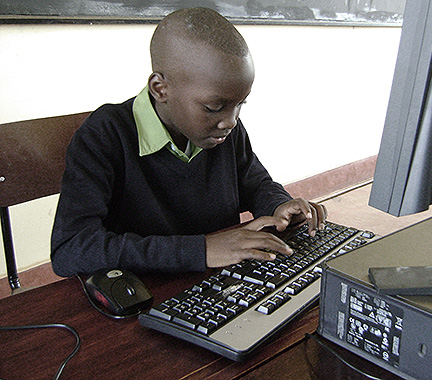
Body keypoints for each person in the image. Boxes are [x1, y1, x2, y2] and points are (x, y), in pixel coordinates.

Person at [50, 8, 327, 277]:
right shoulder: (106, 134)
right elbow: (71, 248)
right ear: (160, 89)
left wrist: (278, 206)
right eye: (213, 106)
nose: (230, 121)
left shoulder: (222, 130)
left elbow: (255, 184)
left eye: (239, 104)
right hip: (144, 291)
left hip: (215, 283)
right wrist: (200, 250)